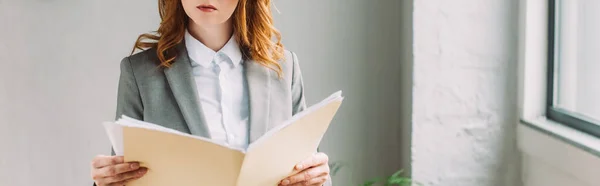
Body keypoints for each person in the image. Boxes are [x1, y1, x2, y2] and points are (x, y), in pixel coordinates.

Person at [89, 0, 331, 185]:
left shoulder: (283, 68)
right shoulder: (140, 74)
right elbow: (122, 176)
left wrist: (317, 178)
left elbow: (308, 170)